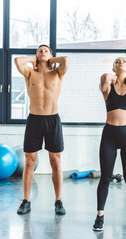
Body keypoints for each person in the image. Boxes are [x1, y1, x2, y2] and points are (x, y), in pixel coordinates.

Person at [14, 45, 69, 215]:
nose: (43, 52)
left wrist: (50, 61)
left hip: (53, 120)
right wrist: (34, 60)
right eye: (40, 51)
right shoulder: (30, 73)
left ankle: (58, 201)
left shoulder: (57, 73)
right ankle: (26, 200)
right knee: (29, 161)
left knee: (56, 162)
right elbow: (17, 61)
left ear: (51, 55)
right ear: (36, 55)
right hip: (34, 120)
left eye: (46, 50)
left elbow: (66, 60)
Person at [93, 57, 126, 232]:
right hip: (110, 135)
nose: (121, 62)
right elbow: (103, 79)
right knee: (105, 178)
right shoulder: (108, 88)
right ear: (113, 68)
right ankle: (100, 216)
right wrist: (115, 76)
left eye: (124, 61)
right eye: (117, 61)